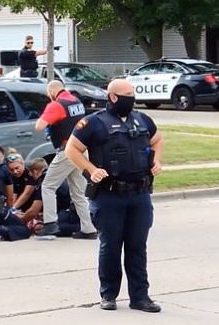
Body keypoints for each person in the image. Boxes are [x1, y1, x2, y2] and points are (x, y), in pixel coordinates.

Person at [64, 78, 164, 313]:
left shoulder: (142, 120)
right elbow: (72, 149)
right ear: (113, 97)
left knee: (137, 247)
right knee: (110, 246)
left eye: (133, 93)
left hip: (139, 194)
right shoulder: (93, 123)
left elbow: (157, 140)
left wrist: (156, 160)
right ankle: (108, 294)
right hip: (109, 195)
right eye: (127, 94)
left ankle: (140, 297)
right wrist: (91, 169)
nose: (132, 98)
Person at [34, 80, 97, 239]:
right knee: (78, 192)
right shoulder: (76, 102)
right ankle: (89, 229)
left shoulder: (56, 105)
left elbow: (40, 126)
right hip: (82, 150)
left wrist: (47, 117)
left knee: (48, 186)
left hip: (67, 151)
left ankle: (50, 224)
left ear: (51, 92)